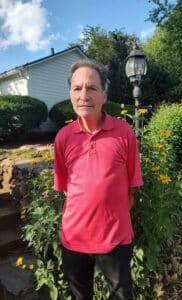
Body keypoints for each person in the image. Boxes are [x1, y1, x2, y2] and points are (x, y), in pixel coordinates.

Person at [53, 58, 143, 300]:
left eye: (92, 88)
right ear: (70, 94)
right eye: (77, 88)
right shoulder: (63, 138)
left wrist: (111, 219)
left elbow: (131, 188)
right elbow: (65, 189)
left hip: (116, 239)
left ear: (104, 95)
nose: (84, 95)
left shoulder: (124, 132)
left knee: (122, 296)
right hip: (75, 240)